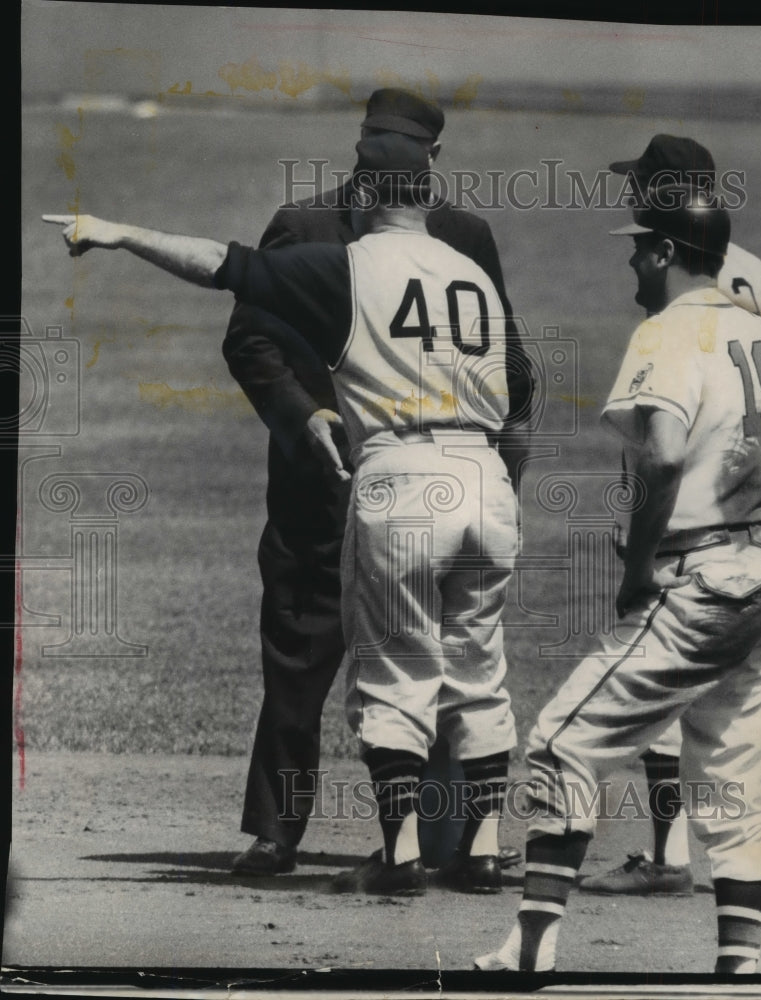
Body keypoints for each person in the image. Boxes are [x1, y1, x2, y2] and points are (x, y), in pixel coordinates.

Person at [44, 130, 534, 897]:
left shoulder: (351, 266)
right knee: (477, 670)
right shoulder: (472, 272)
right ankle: (485, 850)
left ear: (366, 196)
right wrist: (505, 491)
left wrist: (119, 233)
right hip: (486, 481)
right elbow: (523, 397)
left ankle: (401, 854)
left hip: (401, 479)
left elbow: (220, 264)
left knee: (394, 673)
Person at [473, 184, 761, 973]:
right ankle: (739, 966)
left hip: (701, 579)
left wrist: (640, 561)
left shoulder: (665, 333)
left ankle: (532, 946)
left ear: (663, 252)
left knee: (560, 742)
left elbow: (658, 455)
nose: (630, 256)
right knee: (729, 775)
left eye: (637, 245)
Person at [220, 88, 525, 880]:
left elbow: (503, 362)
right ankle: (278, 831)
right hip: (320, 482)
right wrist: (301, 416)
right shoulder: (304, 226)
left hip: (418, 487)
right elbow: (251, 339)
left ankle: (422, 841)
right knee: (300, 647)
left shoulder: (463, 237)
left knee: (433, 654)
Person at [578, 135, 761, 900]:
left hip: (722, 506)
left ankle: (669, 854)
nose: (630, 198)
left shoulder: (688, 280)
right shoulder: (754, 268)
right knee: (750, 671)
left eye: (640, 185)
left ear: (669, 195)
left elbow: (677, 427)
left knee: (669, 658)